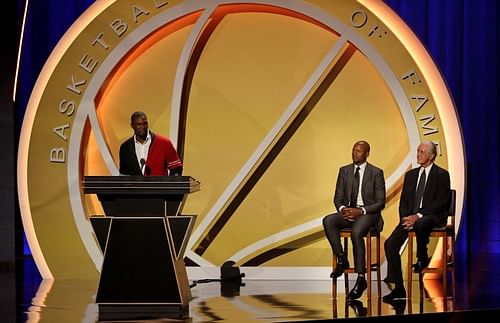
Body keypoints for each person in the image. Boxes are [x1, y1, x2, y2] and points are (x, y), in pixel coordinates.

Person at [382, 141, 451, 301]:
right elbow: (404, 202)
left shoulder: (441, 175)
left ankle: (422, 257)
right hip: (410, 219)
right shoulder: (411, 175)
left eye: (422, 151)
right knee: (390, 244)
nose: (418, 154)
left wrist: (418, 215)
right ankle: (398, 288)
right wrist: (405, 219)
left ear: (431, 156)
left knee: (421, 223)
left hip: (432, 217)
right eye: (418, 151)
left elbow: (441, 202)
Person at [323, 140, 386, 300]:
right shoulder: (344, 171)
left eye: (358, 151)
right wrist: (343, 209)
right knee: (328, 220)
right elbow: (337, 197)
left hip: (369, 214)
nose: (354, 153)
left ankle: (361, 279)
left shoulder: (376, 172)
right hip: (349, 211)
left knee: (357, 233)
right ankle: (342, 258)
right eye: (353, 150)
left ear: (366, 154)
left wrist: (361, 210)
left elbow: (380, 202)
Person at [119, 111, 183, 176]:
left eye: (145, 123)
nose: (143, 127)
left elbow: (176, 168)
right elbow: (124, 175)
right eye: (139, 124)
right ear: (132, 125)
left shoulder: (164, 143)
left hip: (159, 186)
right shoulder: (125, 148)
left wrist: (168, 185)